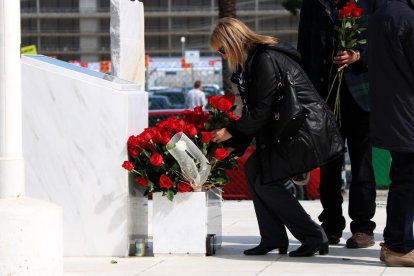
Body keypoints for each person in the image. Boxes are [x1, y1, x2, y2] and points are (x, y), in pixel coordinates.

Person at [209, 17, 336, 257]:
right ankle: (273, 238)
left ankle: (313, 236)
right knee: (254, 170)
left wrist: (231, 132)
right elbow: (253, 111)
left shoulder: (264, 60)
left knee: (267, 182)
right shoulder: (251, 64)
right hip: (286, 133)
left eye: (223, 50)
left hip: (302, 132)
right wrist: (233, 143)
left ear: (234, 42)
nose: (222, 57)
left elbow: (264, 108)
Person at [297, 0, 382, 248]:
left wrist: (359, 56)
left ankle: (363, 227)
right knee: (329, 165)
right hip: (324, 93)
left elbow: (382, 41)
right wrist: (306, 95)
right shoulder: (313, 3)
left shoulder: (372, 2)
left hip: (361, 94)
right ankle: (331, 225)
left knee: (362, 164)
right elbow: (306, 46)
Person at [368, 0, 414, 266]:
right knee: (407, 181)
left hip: (395, 110)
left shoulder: (383, 14)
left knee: (403, 178)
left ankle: (398, 243)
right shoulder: (406, 17)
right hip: (407, 112)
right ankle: (399, 246)